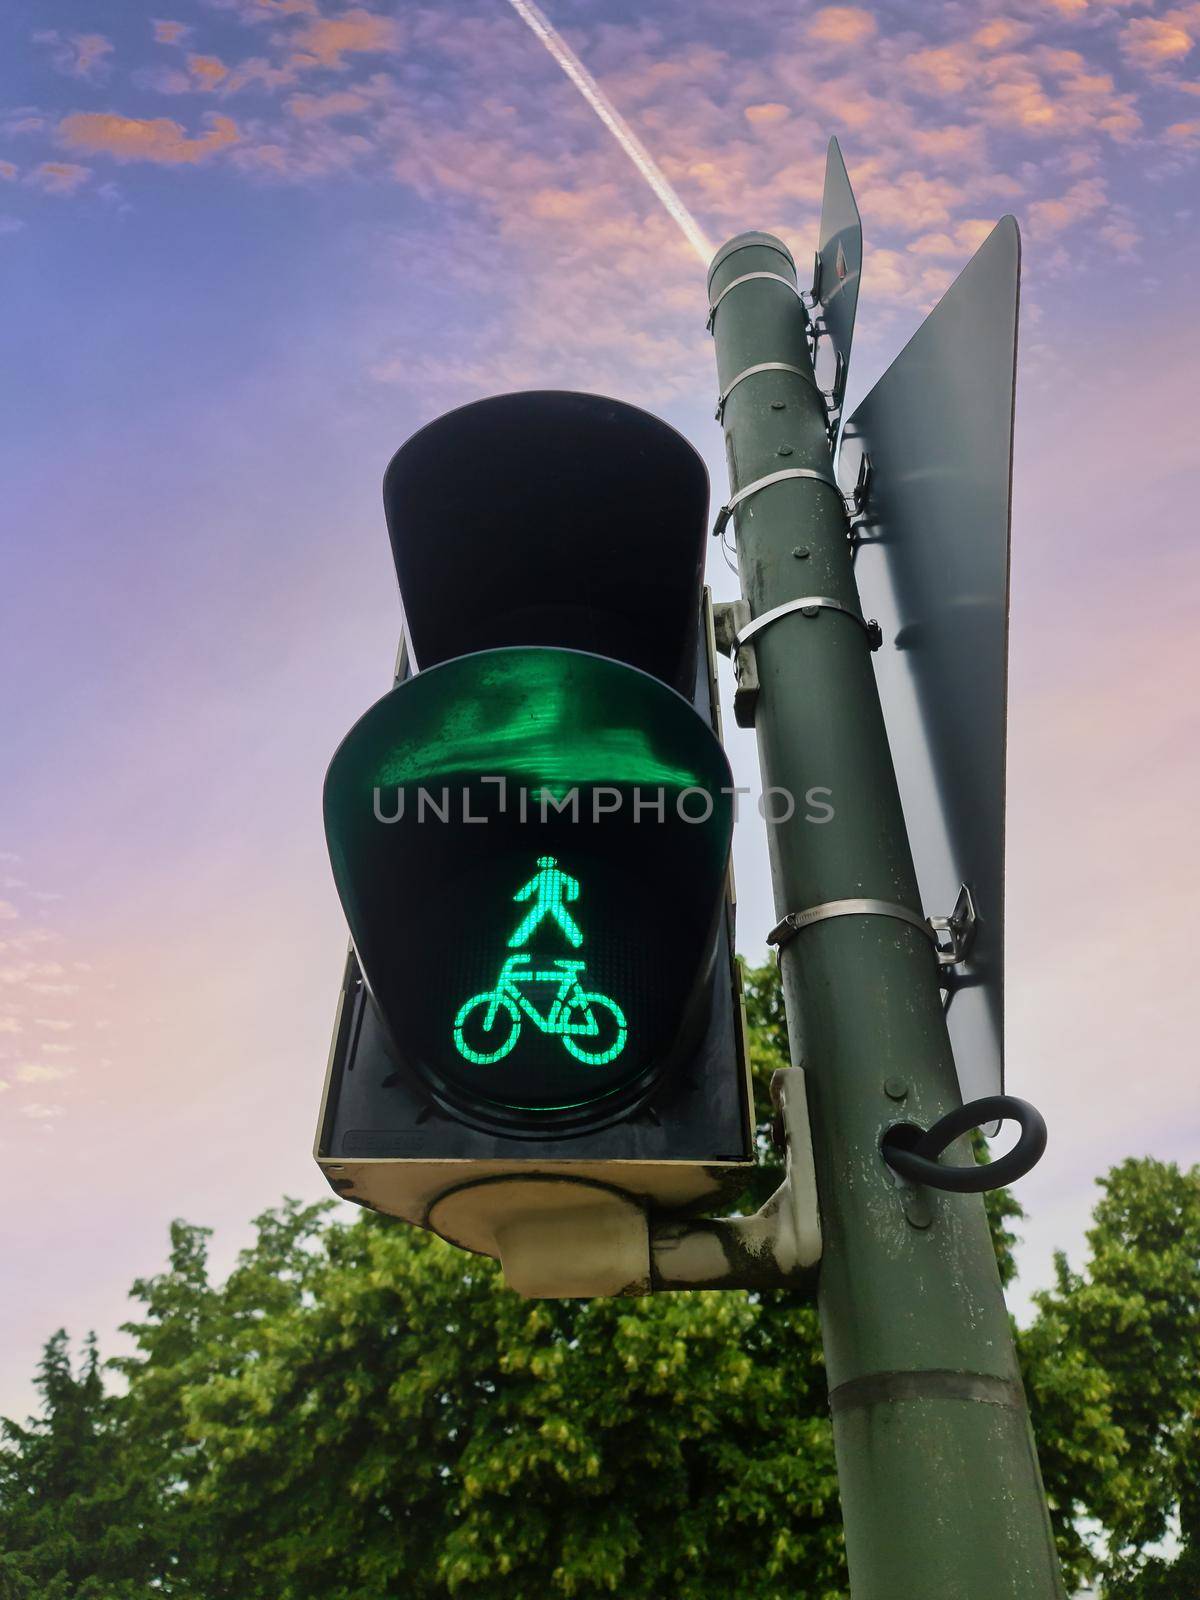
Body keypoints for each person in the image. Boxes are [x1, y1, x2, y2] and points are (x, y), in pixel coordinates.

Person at [506, 856, 583, 949]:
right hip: (544, 902)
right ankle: (577, 940)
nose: (545, 863)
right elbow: (531, 886)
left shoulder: (556, 874)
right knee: (532, 920)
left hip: (553, 902)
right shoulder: (543, 875)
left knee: (533, 920)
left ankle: (577, 940)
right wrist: (520, 897)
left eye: (546, 862)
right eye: (543, 862)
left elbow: (572, 882)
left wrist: (571, 897)